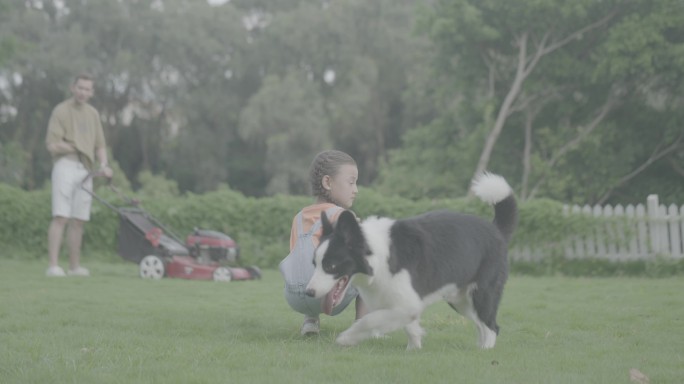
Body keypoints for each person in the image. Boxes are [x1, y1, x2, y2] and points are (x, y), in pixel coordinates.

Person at [280, 150, 366, 335]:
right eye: (351, 182)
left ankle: (310, 321)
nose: (356, 189)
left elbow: (300, 261)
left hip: (295, 296)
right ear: (327, 182)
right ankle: (362, 326)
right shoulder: (343, 216)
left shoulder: (298, 218)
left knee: (312, 266)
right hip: (328, 298)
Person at [44, 73, 113, 277]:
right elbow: (52, 145)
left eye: (87, 89)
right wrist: (70, 146)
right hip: (65, 165)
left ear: (92, 92)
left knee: (79, 220)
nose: (83, 92)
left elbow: (100, 144)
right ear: (73, 88)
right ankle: (53, 266)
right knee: (61, 217)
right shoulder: (61, 111)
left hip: (86, 169)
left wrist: (104, 165)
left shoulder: (92, 114)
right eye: (80, 88)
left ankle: (74, 267)